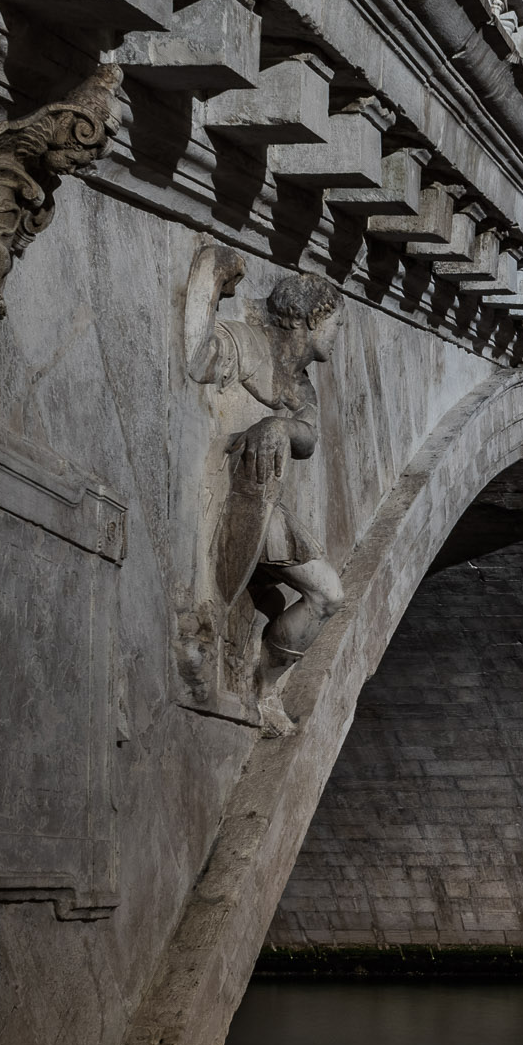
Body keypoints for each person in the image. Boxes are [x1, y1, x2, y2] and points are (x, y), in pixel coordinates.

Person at [182, 246, 346, 736]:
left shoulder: (300, 388)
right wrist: (209, 279)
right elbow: (197, 358)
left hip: (263, 502)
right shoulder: (247, 344)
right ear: (310, 319)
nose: (337, 335)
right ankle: (229, 663)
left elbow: (308, 437)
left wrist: (278, 425)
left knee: (329, 595)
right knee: (326, 593)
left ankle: (262, 687)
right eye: (334, 323)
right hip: (224, 488)